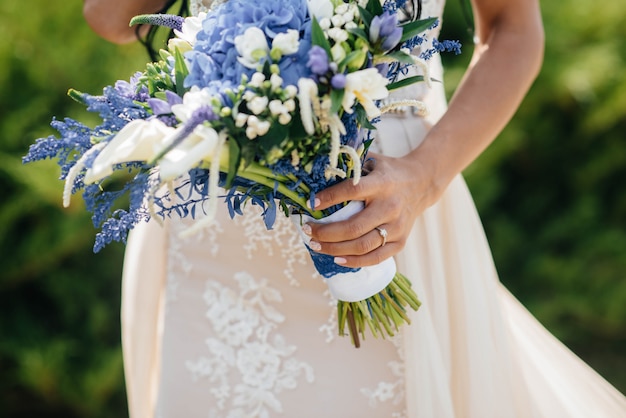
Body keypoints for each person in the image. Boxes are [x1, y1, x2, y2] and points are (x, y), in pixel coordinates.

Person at [83, 0, 626, 417]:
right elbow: (107, 15)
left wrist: (425, 177)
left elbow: (514, 29)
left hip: (382, 205)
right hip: (213, 214)